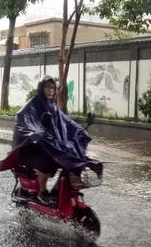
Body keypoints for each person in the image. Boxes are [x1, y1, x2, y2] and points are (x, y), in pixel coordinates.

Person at [12, 76, 101, 204]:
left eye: (53, 87)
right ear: (41, 88)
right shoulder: (33, 105)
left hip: (45, 145)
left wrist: (80, 130)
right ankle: (42, 192)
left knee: (66, 158)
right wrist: (37, 133)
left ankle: (58, 192)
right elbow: (23, 119)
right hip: (29, 147)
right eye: (47, 87)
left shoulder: (51, 106)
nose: (51, 90)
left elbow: (65, 121)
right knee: (48, 161)